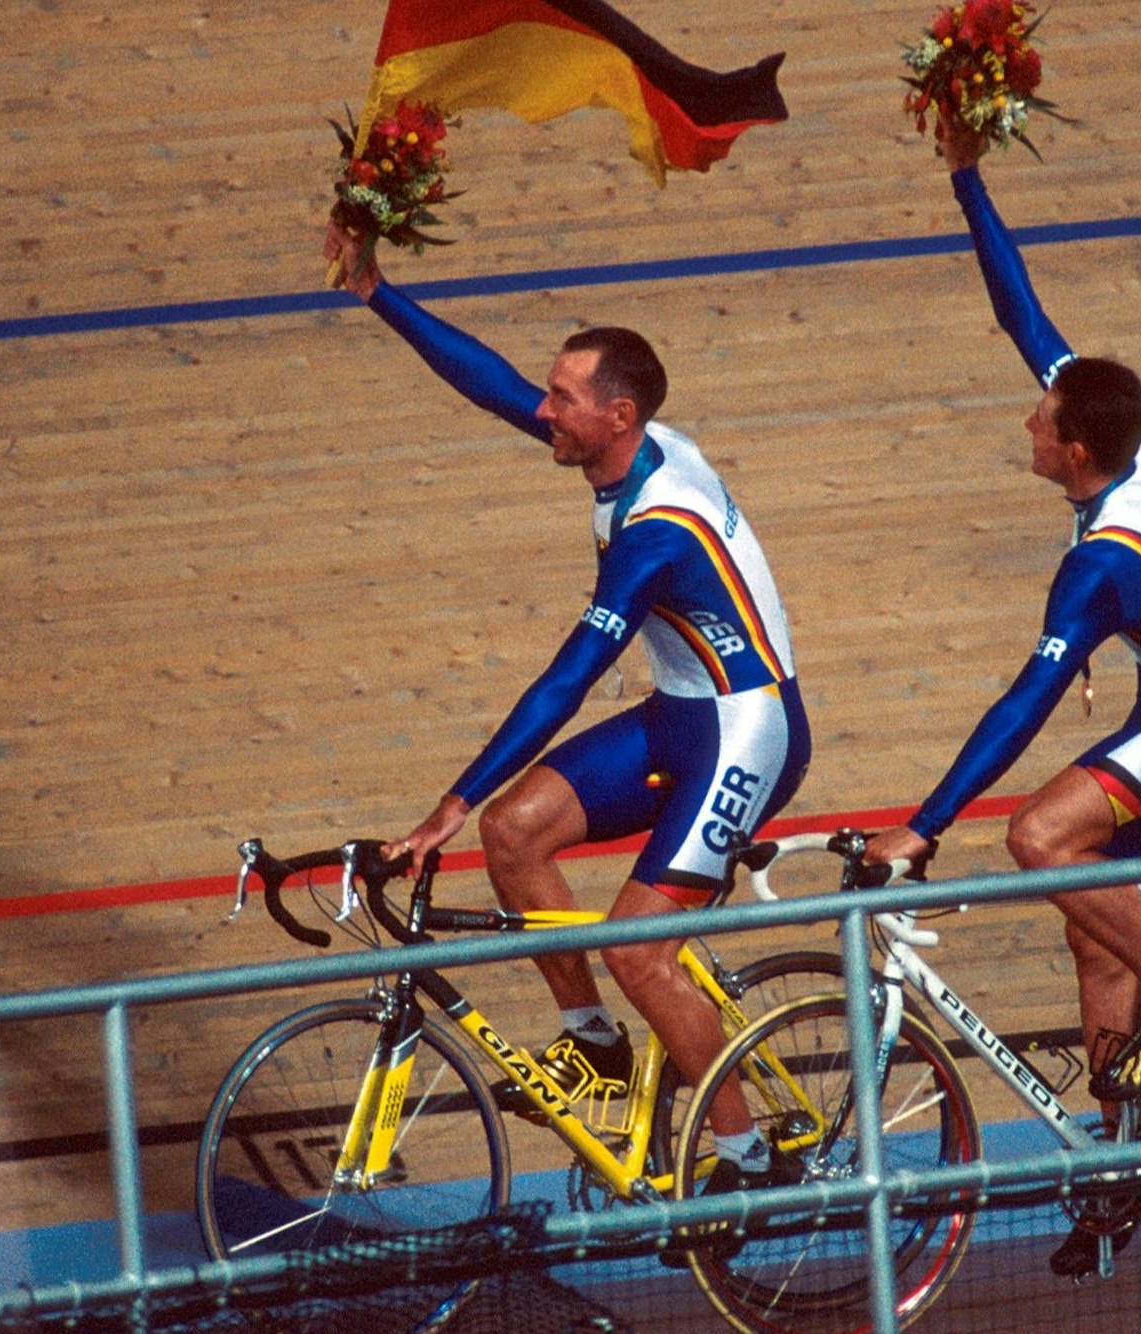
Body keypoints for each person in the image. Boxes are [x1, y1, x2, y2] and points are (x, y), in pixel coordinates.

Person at [863, 122, 1141, 1274]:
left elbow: (1024, 702)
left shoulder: (1099, 559)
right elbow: (1021, 314)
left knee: (1037, 835)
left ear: (1076, 451)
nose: (1027, 419)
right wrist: (964, 174)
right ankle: (1116, 1166)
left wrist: (927, 821)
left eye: (1039, 424)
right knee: (1090, 924)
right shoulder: (1129, 442)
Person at [324, 222, 810, 1192]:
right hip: (683, 709)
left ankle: (747, 1158)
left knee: (636, 946)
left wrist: (445, 805)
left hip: (748, 729)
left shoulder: (656, 528)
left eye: (561, 398)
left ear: (616, 414)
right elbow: (494, 384)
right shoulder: (624, 449)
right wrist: (376, 290)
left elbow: (565, 678)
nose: (540, 409)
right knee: (515, 833)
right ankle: (594, 1044)